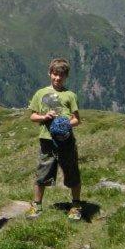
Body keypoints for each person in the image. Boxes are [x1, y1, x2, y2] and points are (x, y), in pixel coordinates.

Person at [27, 58, 82, 220]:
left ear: (66, 77)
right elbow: (32, 116)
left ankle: (76, 205)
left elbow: (77, 119)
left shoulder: (70, 95)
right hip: (46, 140)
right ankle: (36, 205)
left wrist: (65, 124)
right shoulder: (40, 93)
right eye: (55, 74)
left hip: (66, 141)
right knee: (42, 173)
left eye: (61, 75)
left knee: (72, 172)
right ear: (50, 73)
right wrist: (45, 116)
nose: (57, 78)